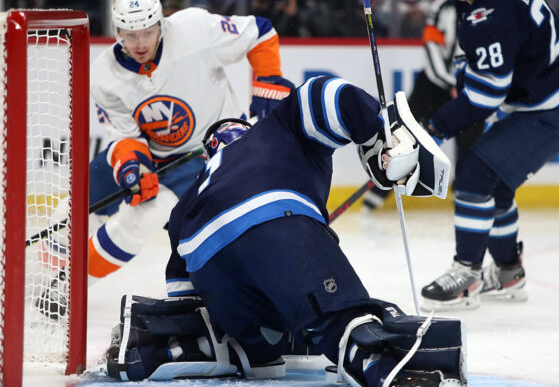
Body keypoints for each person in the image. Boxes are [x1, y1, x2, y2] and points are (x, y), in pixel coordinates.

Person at [104, 76, 464, 386]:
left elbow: (182, 287)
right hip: (273, 221)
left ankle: (231, 346)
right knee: (339, 315)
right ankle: (379, 363)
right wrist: (380, 132)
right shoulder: (274, 129)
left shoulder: (195, 189)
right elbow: (324, 93)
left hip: (210, 264)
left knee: (261, 341)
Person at [419, 0, 559, 311]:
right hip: (549, 101)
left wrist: (434, 128)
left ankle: (467, 274)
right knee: (496, 185)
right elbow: (480, 62)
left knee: (473, 173)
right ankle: (508, 274)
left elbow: (486, 95)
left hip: (556, 108)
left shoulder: (491, 12)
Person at [87, 0, 291, 283]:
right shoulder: (103, 75)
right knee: (73, 206)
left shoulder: (195, 29)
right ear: (118, 32)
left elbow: (259, 32)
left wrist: (268, 80)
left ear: (160, 23)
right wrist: (133, 166)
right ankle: (43, 271)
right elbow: (126, 135)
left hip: (207, 153)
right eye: (131, 34)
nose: (140, 43)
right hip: (152, 155)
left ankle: (72, 285)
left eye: (147, 32)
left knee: (139, 221)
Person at [363, 0, 484, 211]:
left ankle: (463, 193)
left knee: (470, 142)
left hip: (469, 89)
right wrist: (451, 83)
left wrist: (468, 86)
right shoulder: (444, 5)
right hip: (432, 85)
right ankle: (380, 187)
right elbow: (432, 49)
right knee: (402, 132)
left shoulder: (495, 7)